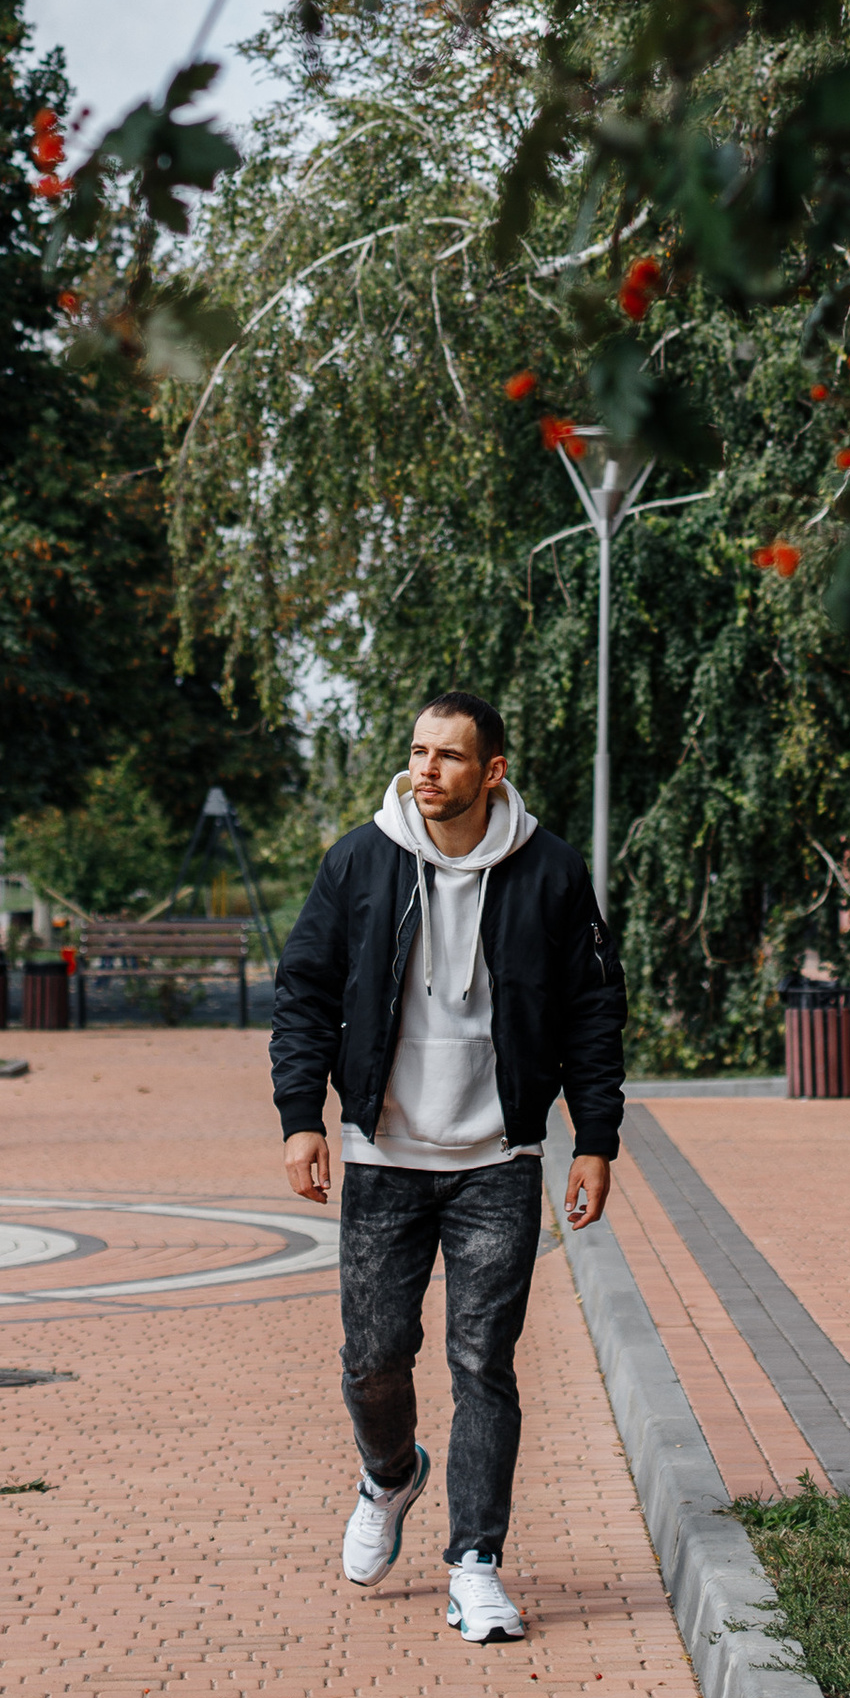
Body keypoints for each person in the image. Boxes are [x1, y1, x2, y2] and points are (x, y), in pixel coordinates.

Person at [272, 692, 625, 1646]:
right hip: (383, 1154)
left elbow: (594, 1011)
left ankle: (477, 1563)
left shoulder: (549, 871)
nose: (425, 771)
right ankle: (389, 1476)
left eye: (448, 757)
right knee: (373, 1359)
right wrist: (301, 1118)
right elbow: (304, 991)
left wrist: (594, 1137)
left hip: (498, 1160)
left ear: (493, 771)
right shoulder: (360, 860)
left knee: (484, 1365)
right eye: (418, 753)